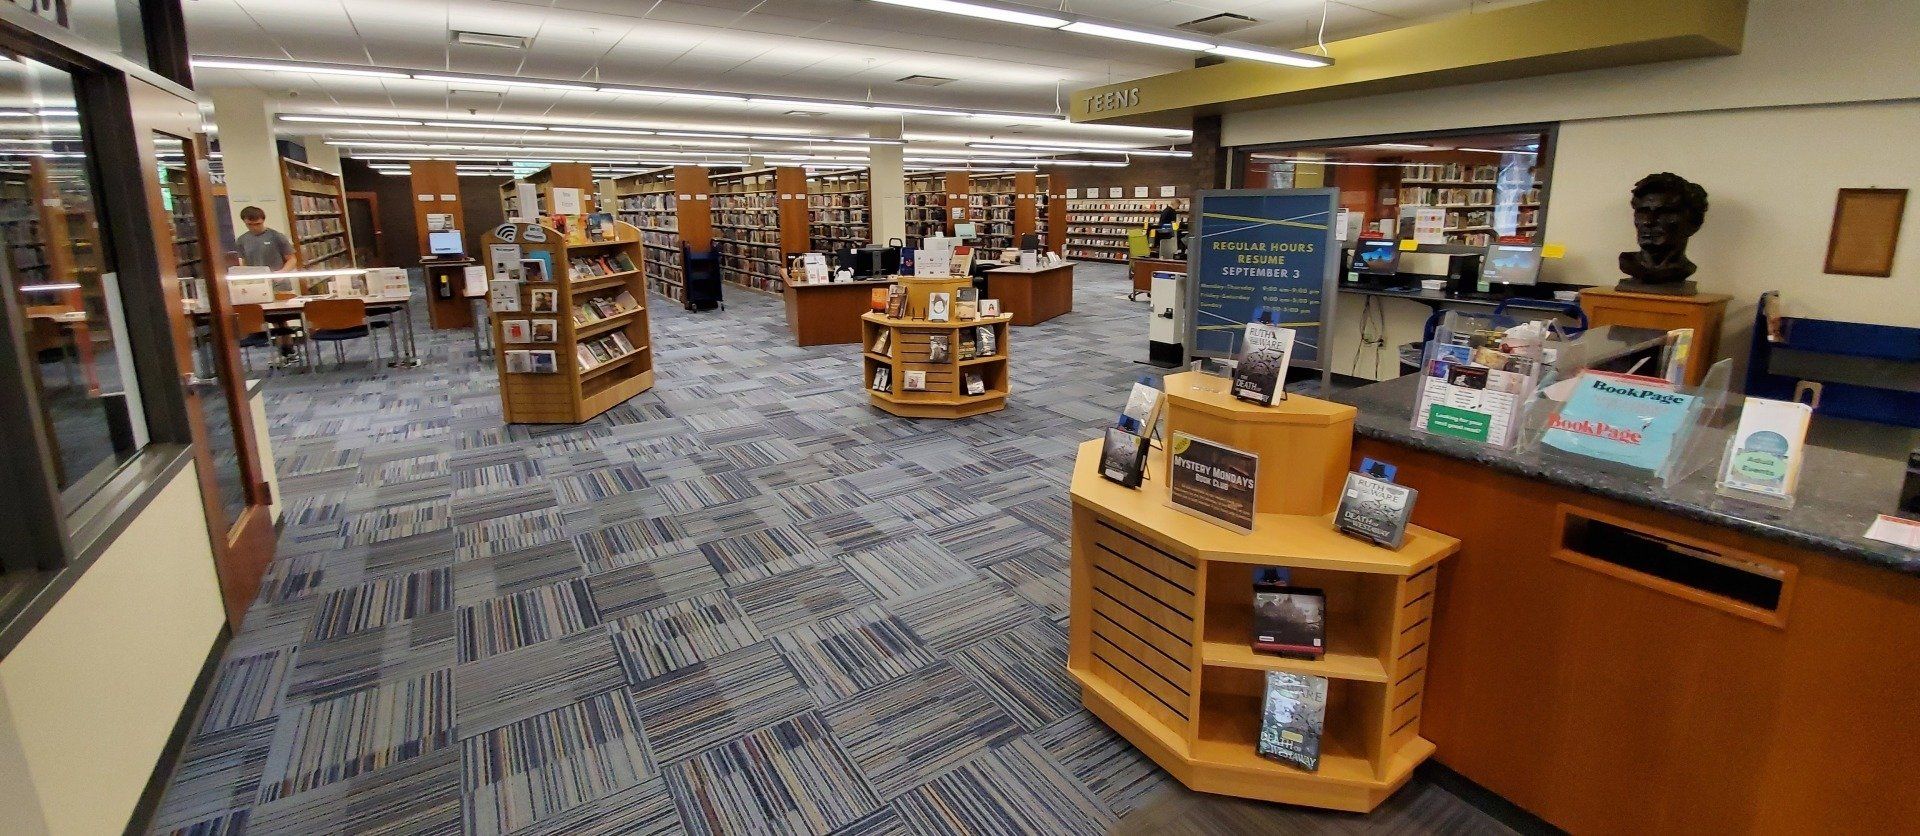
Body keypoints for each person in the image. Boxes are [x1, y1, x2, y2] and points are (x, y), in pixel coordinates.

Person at [235, 205, 297, 271]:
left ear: (263, 221)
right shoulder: (241, 240)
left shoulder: (277, 236)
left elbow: (292, 259)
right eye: (250, 224)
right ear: (244, 222)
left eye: (257, 224)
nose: (254, 228)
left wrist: (282, 272)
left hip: (277, 279)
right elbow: (243, 262)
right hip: (256, 279)